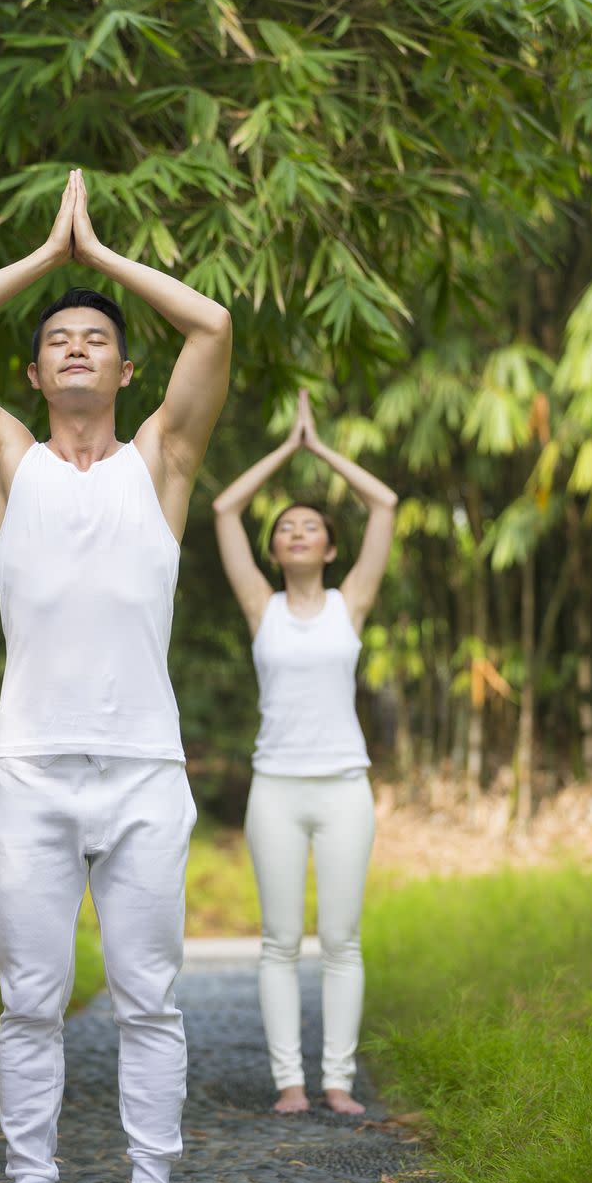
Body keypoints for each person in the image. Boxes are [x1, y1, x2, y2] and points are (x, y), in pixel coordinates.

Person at [0, 169, 231, 1183]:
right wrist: (49, 261)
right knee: (32, 1000)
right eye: (62, 341)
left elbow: (216, 323)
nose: (82, 346)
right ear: (38, 371)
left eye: (100, 338)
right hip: (33, 772)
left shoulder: (163, 465)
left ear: (128, 369)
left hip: (145, 769)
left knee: (149, 998)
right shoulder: (6, 464)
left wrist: (101, 257)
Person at [212, 389, 396, 1116]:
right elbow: (226, 508)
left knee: (342, 940)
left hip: (345, 787)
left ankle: (339, 1082)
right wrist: (283, 451)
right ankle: (290, 1083)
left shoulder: (351, 604)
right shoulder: (263, 609)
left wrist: (320, 450)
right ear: (275, 549)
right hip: (277, 790)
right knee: (280, 939)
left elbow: (384, 504)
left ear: (328, 548)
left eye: (309, 524)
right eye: (286, 526)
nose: (295, 530)